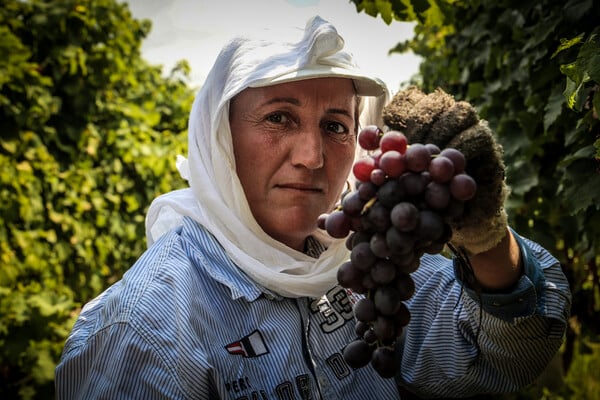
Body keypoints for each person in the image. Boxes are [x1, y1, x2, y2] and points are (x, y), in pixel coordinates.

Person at [55, 15, 571, 399]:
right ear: (220, 139)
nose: (311, 158)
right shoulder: (147, 327)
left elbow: (507, 356)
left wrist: (486, 242)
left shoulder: (366, 256)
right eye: (279, 118)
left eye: (335, 126)